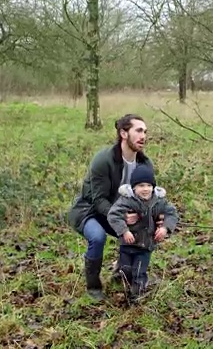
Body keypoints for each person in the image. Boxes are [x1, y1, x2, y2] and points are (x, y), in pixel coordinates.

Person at [68, 114, 155, 301]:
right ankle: (93, 287)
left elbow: (148, 197)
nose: (143, 136)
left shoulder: (144, 164)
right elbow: (98, 200)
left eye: (145, 132)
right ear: (123, 133)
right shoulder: (103, 159)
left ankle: (125, 274)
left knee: (142, 229)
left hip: (118, 211)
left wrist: (157, 217)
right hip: (89, 211)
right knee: (98, 237)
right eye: (138, 130)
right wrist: (121, 218)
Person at [107, 165, 178, 304]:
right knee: (126, 269)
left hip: (146, 245)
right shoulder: (126, 200)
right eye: (140, 185)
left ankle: (137, 296)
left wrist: (165, 228)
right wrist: (124, 230)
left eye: (148, 185)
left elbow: (172, 213)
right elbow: (113, 214)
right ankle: (122, 280)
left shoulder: (159, 201)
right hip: (127, 243)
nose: (145, 189)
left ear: (153, 187)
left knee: (139, 271)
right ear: (133, 188)